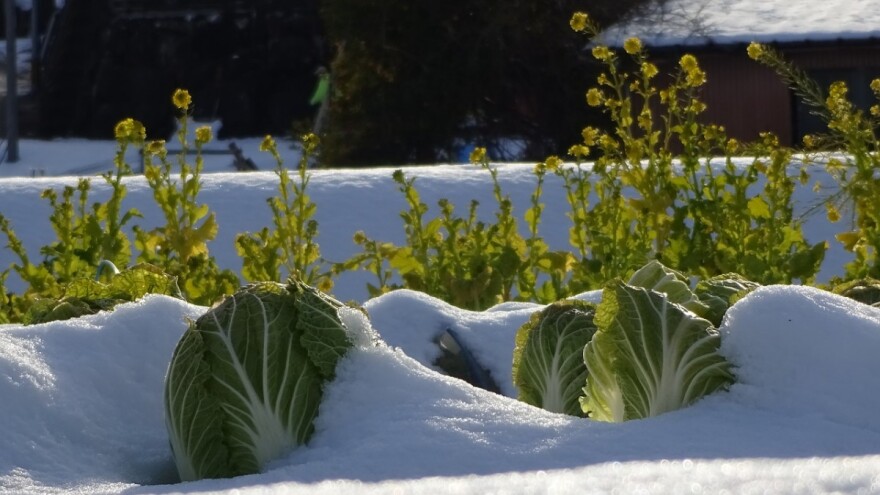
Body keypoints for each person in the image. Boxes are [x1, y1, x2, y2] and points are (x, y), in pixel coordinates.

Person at [310, 66, 330, 135]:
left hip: (326, 103)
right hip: (331, 103)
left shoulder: (324, 79)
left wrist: (314, 100)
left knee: (320, 122)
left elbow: (321, 92)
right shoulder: (328, 78)